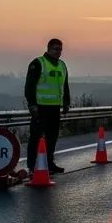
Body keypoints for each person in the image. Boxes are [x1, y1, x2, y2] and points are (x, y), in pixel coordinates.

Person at [25, 39, 70, 174]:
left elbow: (65, 86)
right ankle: (33, 166)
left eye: (60, 49)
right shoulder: (38, 63)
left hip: (54, 108)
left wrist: (66, 103)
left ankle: (49, 163)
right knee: (36, 137)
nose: (59, 52)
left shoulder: (62, 65)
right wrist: (32, 105)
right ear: (49, 48)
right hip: (40, 108)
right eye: (56, 49)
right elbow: (29, 86)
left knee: (52, 137)